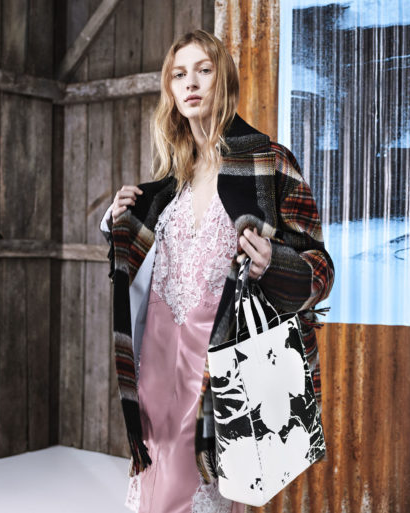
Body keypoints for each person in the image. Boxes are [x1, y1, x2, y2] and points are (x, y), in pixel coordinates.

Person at [101, 29, 334, 513]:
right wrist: (116, 221)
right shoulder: (169, 184)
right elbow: (133, 265)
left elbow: (320, 267)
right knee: (157, 487)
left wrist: (275, 264)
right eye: (179, 74)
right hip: (155, 363)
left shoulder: (267, 162)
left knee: (204, 490)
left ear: (223, 78)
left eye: (203, 70)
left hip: (221, 366)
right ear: (170, 90)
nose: (190, 83)